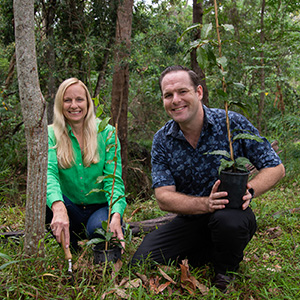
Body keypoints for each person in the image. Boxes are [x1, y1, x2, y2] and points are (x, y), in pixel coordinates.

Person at [131, 66, 285, 291]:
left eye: (182, 92)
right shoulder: (162, 139)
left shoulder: (231, 123)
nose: (176, 100)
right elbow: (163, 197)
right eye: (168, 95)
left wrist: (249, 191)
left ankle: (225, 270)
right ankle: (211, 251)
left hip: (230, 213)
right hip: (191, 218)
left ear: (199, 92)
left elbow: (275, 167)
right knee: (143, 259)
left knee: (228, 223)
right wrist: (205, 203)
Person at [46, 78, 126, 252]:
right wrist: (58, 206)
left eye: (79, 99)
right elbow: (49, 174)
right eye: (67, 100)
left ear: (88, 103)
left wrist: (116, 214)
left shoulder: (107, 133)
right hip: (69, 207)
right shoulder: (50, 134)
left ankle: (108, 239)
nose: (74, 105)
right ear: (60, 104)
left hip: (99, 207)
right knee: (45, 203)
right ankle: (70, 248)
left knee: (99, 231)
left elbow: (114, 181)